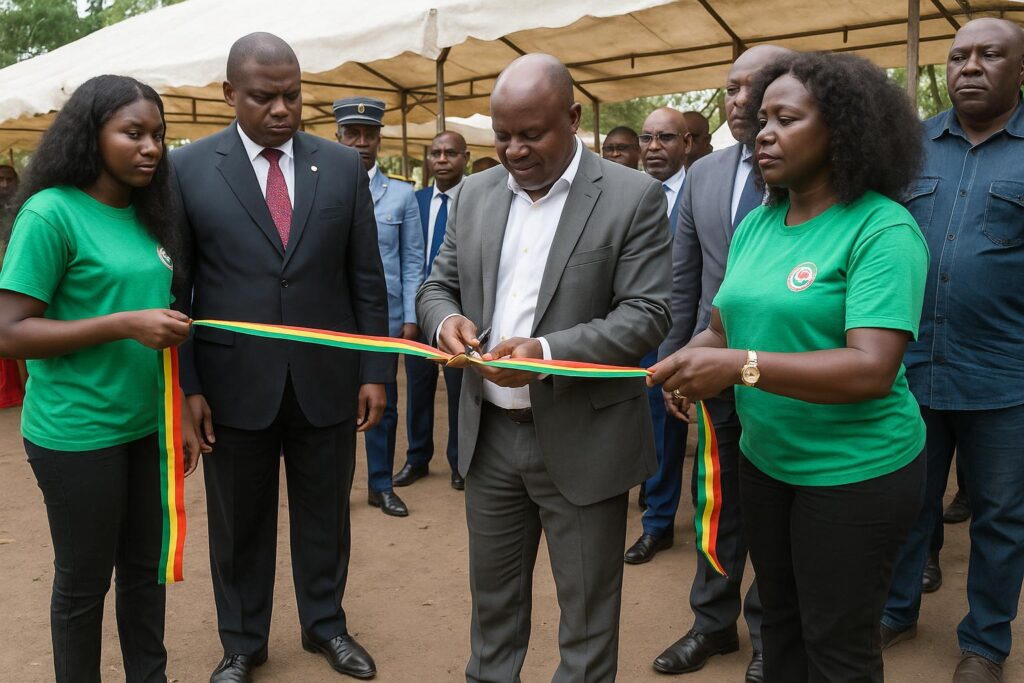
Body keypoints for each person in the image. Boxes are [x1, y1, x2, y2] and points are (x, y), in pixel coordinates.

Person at [652, 51, 928, 682]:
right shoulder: (758, 224)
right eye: (760, 119)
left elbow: (871, 369)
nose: (762, 132)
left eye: (785, 119)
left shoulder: (883, 230)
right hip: (767, 461)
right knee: (779, 628)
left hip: (855, 472)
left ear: (842, 130)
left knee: (837, 645)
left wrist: (737, 368)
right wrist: (688, 357)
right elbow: (723, 324)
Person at [417, 53, 672, 682]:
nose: (514, 150)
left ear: (574, 118)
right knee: (493, 612)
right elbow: (436, 287)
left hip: (585, 441)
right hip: (489, 441)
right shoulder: (475, 194)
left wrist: (549, 354)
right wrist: (444, 321)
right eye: (503, 136)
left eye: (532, 134)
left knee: (586, 619)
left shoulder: (631, 196)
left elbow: (648, 313)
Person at [172, 33, 390, 682]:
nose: (281, 109)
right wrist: (189, 384)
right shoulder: (188, 169)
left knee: (326, 514)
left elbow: (366, 279)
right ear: (229, 94)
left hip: (327, 379)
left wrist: (374, 368)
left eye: (292, 95)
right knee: (240, 523)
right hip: (233, 384)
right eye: (264, 97)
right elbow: (178, 287)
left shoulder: (343, 166)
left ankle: (326, 625)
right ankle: (243, 642)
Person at [0, 74, 201, 683]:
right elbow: (9, 331)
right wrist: (121, 324)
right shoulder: (50, 213)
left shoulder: (149, 213)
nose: (151, 148)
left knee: (145, 572)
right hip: (77, 434)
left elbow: (159, 318)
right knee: (85, 583)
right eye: (133, 133)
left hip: (148, 426)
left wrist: (183, 406)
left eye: (159, 136)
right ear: (93, 135)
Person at [880, 18, 1024, 683]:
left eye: (988, 55)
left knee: (1001, 516)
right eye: (957, 56)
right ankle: (896, 606)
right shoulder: (907, 147)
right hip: (909, 367)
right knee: (908, 501)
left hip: (1006, 374)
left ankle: (984, 644)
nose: (968, 67)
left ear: (1019, 68)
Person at [652, 45, 792, 682]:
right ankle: (712, 624)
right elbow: (685, 283)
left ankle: (770, 633)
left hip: (789, 378)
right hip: (710, 375)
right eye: (731, 89)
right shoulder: (705, 174)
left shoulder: (816, 176)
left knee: (775, 511)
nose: (738, 101)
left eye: (751, 88)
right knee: (714, 503)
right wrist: (671, 363)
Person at [335, 95, 425, 518]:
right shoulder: (322, 188)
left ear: (379, 140)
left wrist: (410, 314)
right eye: (352, 133)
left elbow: (412, 260)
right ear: (338, 136)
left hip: (383, 320)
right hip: (333, 320)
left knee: (381, 403)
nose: (361, 142)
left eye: (369, 134)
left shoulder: (401, 196)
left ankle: (381, 484)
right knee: (331, 406)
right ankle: (336, 486)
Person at [623, 106, 691, 566]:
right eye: (647, 138)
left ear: (686, 144)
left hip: (687, 331)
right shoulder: (629, 193)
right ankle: (654, 508)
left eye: (665, 138)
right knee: (644, 423)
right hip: (633, 331)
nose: (653, 148)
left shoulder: (700, 190)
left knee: (672, 425)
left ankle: (660, 522)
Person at [394, 131, 469, 491]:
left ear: (464, 158)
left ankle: (459, 462)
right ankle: (417, 458)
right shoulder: (416, 200)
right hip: (420, 311)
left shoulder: (475, 201)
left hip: (461, 314)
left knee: (459, 390)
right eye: (436, 153)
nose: (442, 159)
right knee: (418, 389)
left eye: (450, 153)